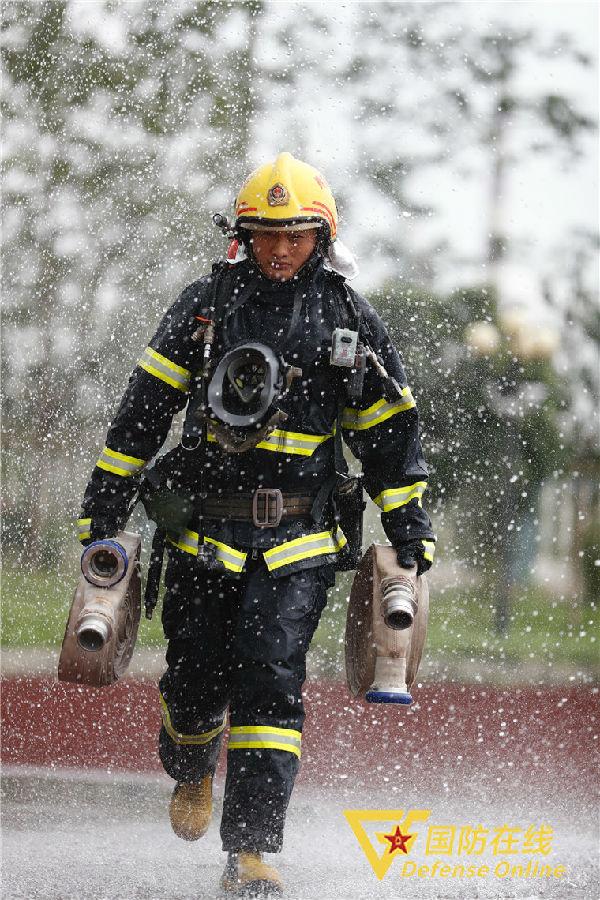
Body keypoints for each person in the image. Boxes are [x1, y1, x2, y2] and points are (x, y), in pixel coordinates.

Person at [77, 152, 435, 897]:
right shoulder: (205, 306)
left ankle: (251, 849)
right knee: (196, 681)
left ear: (322, 237)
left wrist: (408, 528)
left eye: (296, 236)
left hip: (297, 545)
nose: (279, 249)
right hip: (204, 538)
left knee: (273, 682)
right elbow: (143, 411)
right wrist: (104, 505)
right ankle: (190, 759)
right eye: (266, 233)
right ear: (242, 233)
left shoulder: (348, 318)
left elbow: (388, 438)